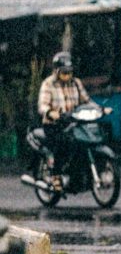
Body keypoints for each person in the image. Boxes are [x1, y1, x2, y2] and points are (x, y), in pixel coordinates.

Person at [36, 52, 91, 192]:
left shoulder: (76, 83)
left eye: (69, 72)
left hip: (73, 123)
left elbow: (87, 100)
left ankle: (78, 178)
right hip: (54, 125)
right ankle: (55, 175)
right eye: (64, 73)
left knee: (84, 142)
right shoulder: (48, 84)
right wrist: (50, 112)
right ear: (56, 71)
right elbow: (42, 105)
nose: (67, 76)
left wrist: (100, 109)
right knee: (64, 144)